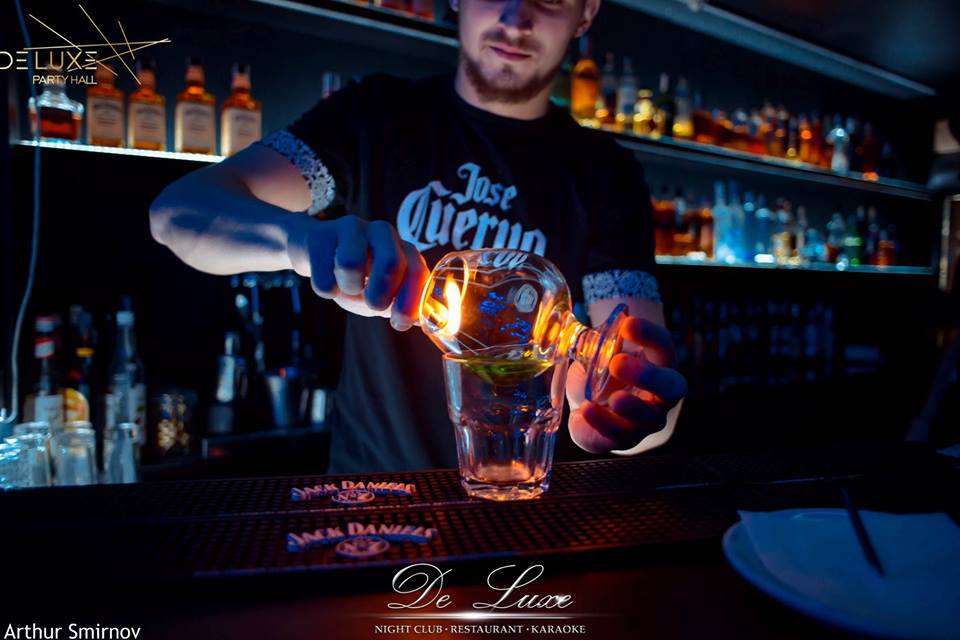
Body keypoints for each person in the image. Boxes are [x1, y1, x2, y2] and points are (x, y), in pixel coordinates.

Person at [149, 0, 687, 472]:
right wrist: (299, 240)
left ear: (586, 13)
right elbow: (177, 214)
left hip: (529, 516)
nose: (515, 18)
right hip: (376, 503)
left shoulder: (604, 173)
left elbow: (643, 379)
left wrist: (631, 413)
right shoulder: (375, 117)